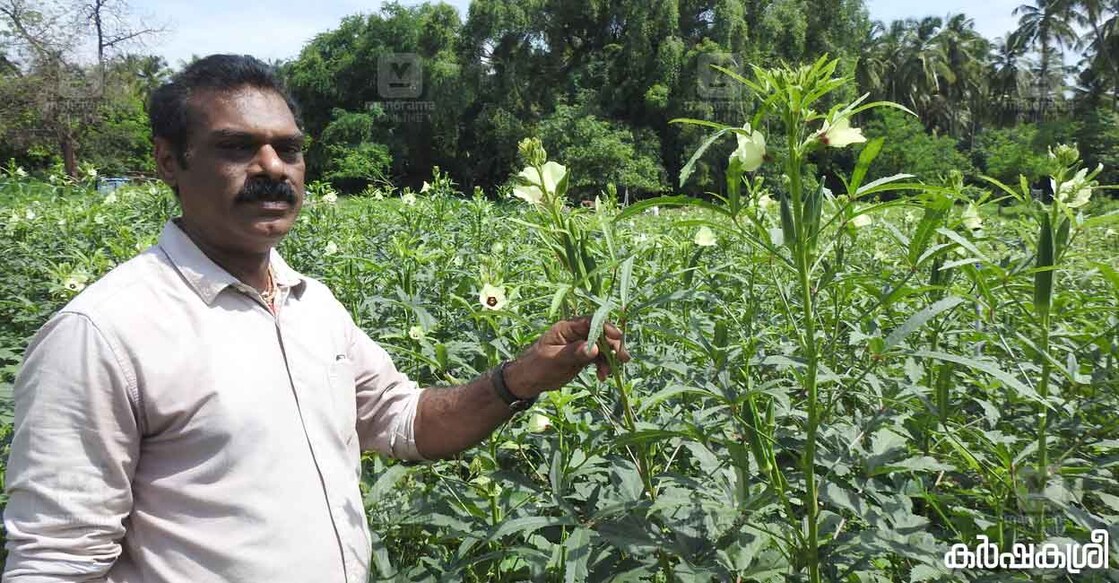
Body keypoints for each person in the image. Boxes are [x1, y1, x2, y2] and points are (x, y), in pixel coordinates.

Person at [2, 54, 630, 582]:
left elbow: (403, 422)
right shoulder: (104, 333)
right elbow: (55, 562)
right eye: (237, 146)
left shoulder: (313, 304)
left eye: (289, 149)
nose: (272, 167)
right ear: (169, 161)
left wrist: (518, 379)